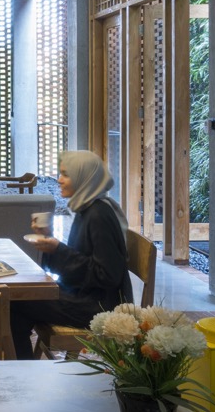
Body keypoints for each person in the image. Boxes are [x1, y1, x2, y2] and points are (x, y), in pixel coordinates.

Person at [7, 150, 134, 360]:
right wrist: (51, 242)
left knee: (13, 302)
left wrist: (57, 250)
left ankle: (12, 367)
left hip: (98, 307)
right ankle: (15, 366)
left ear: (84, 177)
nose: (59, 180)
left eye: (66, 174)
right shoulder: (89, 208)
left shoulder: (99, 215)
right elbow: (82, 258)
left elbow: (107, 275)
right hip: (87, 297)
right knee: (13, 305)